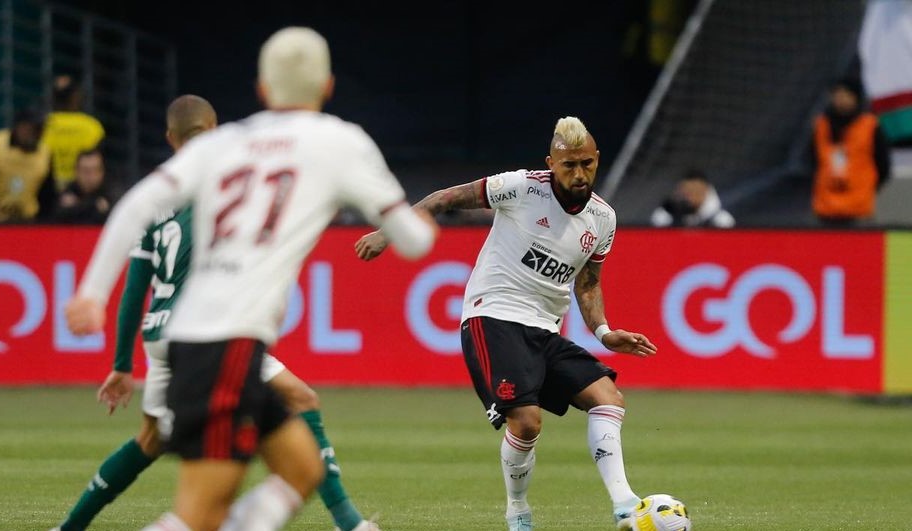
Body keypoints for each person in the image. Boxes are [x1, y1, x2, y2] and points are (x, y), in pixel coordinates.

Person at [63, 26, 438, 531]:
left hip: (202, 340)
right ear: (327, 86)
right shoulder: (341, 142)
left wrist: (90, 294)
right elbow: (412, 241)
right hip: (226, 343)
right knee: (198, 514)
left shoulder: (226, 143)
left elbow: (135, 205)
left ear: (262, 90)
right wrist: (421, 223)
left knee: (301, 469)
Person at [355, 116, 657, 531]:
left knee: (608, 398)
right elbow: (445, 198)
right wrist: (390, 231)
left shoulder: (604, 219)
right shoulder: (520, 186)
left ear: (597, 160)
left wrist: (605, 332)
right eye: (569, 165)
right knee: (527, 422)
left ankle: (625, 506)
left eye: (587, 163)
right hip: (492, 314)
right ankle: (517, 511)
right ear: (551, 162)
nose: (579, 173)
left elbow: (587, 285)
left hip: (545, 329)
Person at [809, 76, 892, 226]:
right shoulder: (821, 126)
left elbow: (883, 167)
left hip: (858, 210)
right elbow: (812, 162)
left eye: (846, 95)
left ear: (856, 98)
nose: (841, 99)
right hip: (825, 210)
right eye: (837, 94)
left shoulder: (870, 126)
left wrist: (866, 189)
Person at [0, 107, 58, 223]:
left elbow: (48, 195)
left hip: (29, 223)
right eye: (32, 128)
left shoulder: (45, 154)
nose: (37, 133)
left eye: (40, 129)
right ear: (19, 127)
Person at [43, 74, 106, 191]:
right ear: (75, 97)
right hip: (81, 187)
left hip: (48, 187)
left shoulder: (43, 125)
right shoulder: (91, 126)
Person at [649, 168, 735, 228]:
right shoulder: (667, 217)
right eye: (686, 191)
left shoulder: (721, 221)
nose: (689, 196)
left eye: (694, 192)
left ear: (705, 192)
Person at [51, 148, 117, 224]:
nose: (91, 176)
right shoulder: (69, 191)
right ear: (76, 172)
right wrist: (95, 205)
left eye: (96, 170)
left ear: (102, 172)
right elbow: (58, 215)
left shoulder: (112, 190)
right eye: (86, 171)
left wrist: (77, 206)